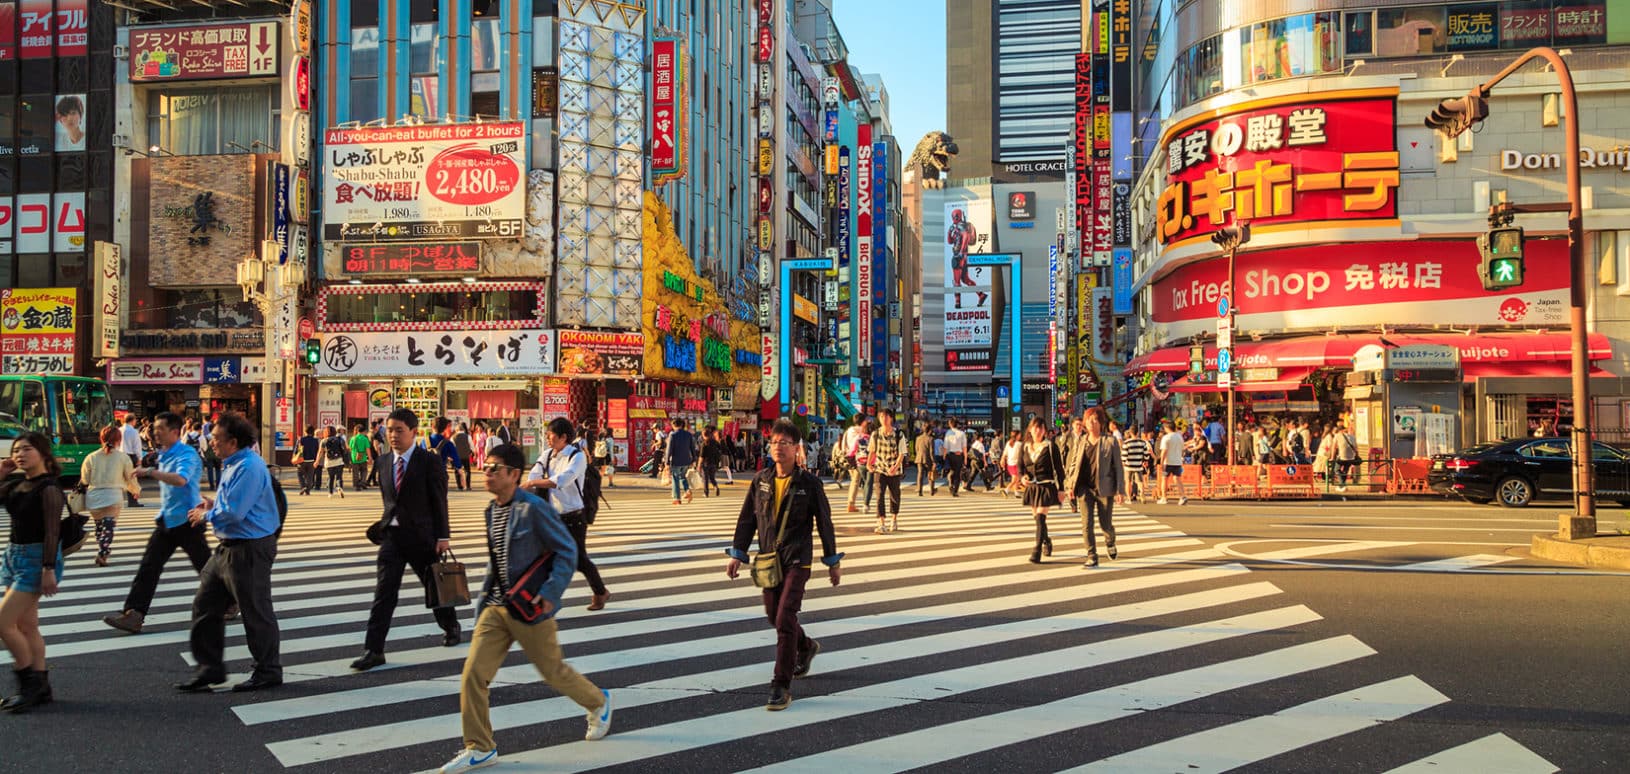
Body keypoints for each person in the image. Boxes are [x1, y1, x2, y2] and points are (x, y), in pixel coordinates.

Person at [441, 443, 613, 773]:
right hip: (497, 607)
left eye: (495, 468)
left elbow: (567, 551)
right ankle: (480, 746)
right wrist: (481, 609)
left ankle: (599, 702)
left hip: (530, 606)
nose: (487, 473)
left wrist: (551, 593)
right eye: (485, 467)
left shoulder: (533, 508)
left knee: (554, 672)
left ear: (514, 474)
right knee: (473, 676)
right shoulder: (491, 510)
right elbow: (496, 564)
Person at [725, 418, 843, 711]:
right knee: (774, 616)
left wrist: (832, 561)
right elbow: (747, 519)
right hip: (768, 559)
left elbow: (825, 524)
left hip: (797, 560)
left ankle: (781, 684)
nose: (778, 447)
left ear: (796, 448)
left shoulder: (809, 483)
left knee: (785, 616)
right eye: (775, 442)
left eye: (785, 443)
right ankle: (806, 646)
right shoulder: (761, 480)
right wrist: (737, 553)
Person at [175, 413, 283, 693]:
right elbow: (232, 502)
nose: (212, 443)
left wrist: (206, 514)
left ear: (233, 442)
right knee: (205, 604)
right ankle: (209, 667)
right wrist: (212, 503)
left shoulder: (248, 467)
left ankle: (268, 670)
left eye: (216, 439)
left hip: (248, 548)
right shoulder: (234, 463)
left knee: (255, 609)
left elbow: (235, 512)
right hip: (228, 547)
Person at [351, 408, 462, 671]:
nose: (393, 435)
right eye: (390, 430)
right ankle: (374, 649)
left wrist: (443, 536)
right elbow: (390, 501)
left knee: (434, 588)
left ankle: (451, 625)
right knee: (384, 593)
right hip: (393, 538)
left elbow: (439, 500)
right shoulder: (383, 461)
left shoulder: (429, 461)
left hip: (423, 538)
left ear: (414, 432)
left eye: (399, 430)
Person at [102, 412, 212, 635]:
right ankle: (134, 614)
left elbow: (181, 480)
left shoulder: (187, 455)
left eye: (160, 429)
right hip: (167, 520)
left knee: (206, 568)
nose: (155, 433)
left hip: (188, 520)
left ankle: (230, 601)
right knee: (149, 567)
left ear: (174, 431)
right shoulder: (164, 453)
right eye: (155, 429)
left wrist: (150, 472)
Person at [0, 432, 67, 712]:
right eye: (17, 450)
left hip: (37, 559)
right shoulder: (16, 485)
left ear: (43, 454)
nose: (20, 454)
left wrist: (48, 569)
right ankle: (41, 687)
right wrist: (2, 471)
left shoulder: (49, 488)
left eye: (27, 449)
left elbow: (53, 531)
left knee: (3, 623)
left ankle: (28, 685)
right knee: (27, 627)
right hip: (14, 556)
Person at [525, 417, 610, 611]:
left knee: (579, 559)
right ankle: (541, 598)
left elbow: (562, 480)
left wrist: (534, 483)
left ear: (564, 437)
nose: (547, 438)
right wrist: (535, 481)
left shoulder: (576, 457)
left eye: (551, 435)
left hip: (573, 517)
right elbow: (534, 475)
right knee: (544, 557)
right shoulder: (546, 455)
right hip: (551, 516)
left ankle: (600, 591)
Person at [1066, 408, 1124, 569]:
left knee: (1106, 524)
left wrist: (1120, 490)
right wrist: (1070, 484)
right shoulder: (1081, 441)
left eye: (1095, 419)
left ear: (1101, 422)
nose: (1091, 422)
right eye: (1089, 419)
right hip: (1084, 488)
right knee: (1086, 524)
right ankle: (1092, 555)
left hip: (1104, 488)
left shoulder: (1110, 441)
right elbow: (1073, 465)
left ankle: (1110, 541)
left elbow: (1118, 467)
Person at [82, 425, 137, 567]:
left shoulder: (91, 457)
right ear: (118, 440)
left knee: (99, 526)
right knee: (109, 525)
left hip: (94, 496)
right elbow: (130, 477)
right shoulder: (123, 457)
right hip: (113, 496)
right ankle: (103, 551)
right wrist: (134, 490)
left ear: (101, 438)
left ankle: (102, 546)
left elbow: (85, 479)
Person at [1017, 418, 1063, 564]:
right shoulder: (1025, 446)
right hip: (1032, 487)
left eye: (1041, 428)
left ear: (1045, 431)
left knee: (1040, 518)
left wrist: (1061, 489)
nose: (1038, 431)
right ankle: (1047, 540)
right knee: (1038, 520)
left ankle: (1036, 551)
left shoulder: (1050, 446)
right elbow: (1020, 467)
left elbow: (1059, 469)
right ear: (1030, 430)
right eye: (1035, 428)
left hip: (1046, 486)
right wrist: (1022, 478)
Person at [869, 411, 907, 534]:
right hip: (880, 469)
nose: (883, 419)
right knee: (879, 495)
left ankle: (894, 519)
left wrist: (895, 467)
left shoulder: (899, 434)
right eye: (881, 417)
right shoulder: (875, 434)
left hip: (894, 470)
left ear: (891, 418)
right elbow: (872, 451)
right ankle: (881, 522)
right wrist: (869, 463)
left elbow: (902, 453)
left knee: (894, 496)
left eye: (886, 417)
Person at [664, 418, 698, 505]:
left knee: (675, 478)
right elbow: (692, 448)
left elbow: (669, 449)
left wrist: (667, 462)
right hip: (686, 460)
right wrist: (694, 459)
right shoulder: (688, 434)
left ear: (674, 425)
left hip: (676, 460)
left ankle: (677, 498)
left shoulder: (673, 435)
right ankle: (687, 490)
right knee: (683, 477)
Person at [1156, 419, 1188, 505]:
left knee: (1164, 479)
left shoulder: (1166, 438)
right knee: (1177, 479)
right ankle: (1182, 496)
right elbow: (1182, 448)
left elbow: (1164, 451)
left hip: (1168, 461)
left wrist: (1161, 462)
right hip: (1177, 461)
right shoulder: (1179, 436)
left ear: (1167, 428)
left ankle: (1164, 497)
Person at [428, 417, 464, 493]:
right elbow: (456, 461)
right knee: (441, 500)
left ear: (432, 426)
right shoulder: (447, 443)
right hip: (441, 475)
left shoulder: (425, 441)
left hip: (426, 476)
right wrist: (461, 476)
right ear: (445, 428)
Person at [315, 426, 348, 498]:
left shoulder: (323, 441)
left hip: (329, 461)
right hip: (339, 460)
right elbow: (345, 449)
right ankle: (339, 487)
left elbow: (320, 452)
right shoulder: (340, 439)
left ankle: (330, 493)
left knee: (331, 477)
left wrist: (317, 461)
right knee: (339, 477)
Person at [1120, 427, 1151, 504]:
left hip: (1128, 466)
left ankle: (1129, 498)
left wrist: (1123, 463)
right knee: (1140, 481)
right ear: (1138, 433)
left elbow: (1124, 456)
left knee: (1128, 482)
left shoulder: (1126, 443)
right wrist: (1145, 460)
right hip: (1138, 465)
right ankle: (1142, 493)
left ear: (1130, 433)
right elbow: (1146, 454)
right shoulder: (1142, 442)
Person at [120, 417, 145, 507]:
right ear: (132, 421)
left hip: (120, 455)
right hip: (130, 456)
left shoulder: (119, 430)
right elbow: (137, 446)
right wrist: (139, 458)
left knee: (120, 478)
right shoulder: (134, 431)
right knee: (132, 478)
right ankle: (133, 501)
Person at [942, 418, 968, 497]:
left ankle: (951, 485)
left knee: (951, 471)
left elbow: (945, 446)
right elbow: (964, 447)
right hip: (959, 455)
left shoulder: (948, 433)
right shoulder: (962, 433)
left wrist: (944, 455)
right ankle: (955, 491)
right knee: (957, 473)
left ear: (950, 424)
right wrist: (965, 458)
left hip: (950, 455)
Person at [1333, 419, 1360, 491]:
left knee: (1336, 469)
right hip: (1351, 457)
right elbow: (1356, 449)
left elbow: (1334, 448)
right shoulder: (1353, 437)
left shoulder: (1337, 435)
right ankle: (1342, 486)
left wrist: (1332, 458)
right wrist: (1356, 456)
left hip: (1342, 457)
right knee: (1345, 471)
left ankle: (1342, 485)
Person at [913, 421, 937, 496]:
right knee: (930, 473)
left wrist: (919, 455)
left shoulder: (918, 438)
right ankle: (932, 490)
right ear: (929, 430)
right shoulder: (931, 439)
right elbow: (931, 451)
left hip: (919, 458)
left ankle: (919, 491)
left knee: (920, 474)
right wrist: (934, 461)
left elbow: (916, 449)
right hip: (928, 459)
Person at [699, 427, 725, 498]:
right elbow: (720, 450)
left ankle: (706, 493)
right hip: (714, 462)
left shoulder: (704, 444)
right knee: (712, 477)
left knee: (705, 479)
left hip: (705, 463)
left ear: (703, 435)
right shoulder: (715, 442)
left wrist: (699, 465)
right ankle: (715, 486)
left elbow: (701, 456)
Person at [295, 425, 320, 495]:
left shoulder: (301, 439)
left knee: (300, 474)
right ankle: (308, 489)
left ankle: (303, 486)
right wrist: (316, 460)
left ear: (305, 431)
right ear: (313, 432)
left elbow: (297, 450)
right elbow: (317, 450)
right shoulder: (315, 440)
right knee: (310, 475)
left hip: (301, 460)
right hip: (311, 460)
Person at [451, 422, 475, 491]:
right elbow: (472, 446)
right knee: (467, 471)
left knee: (457, 471)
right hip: (466, 456)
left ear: (457, 430)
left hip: (457, 456)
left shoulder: (453, 437)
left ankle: (459, 486)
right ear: (463, 429)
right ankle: (468, 486)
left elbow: (452, 447)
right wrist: (473, 452)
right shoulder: (468, 436)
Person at [350, 423, 374, 490]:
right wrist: (370, 458)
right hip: (363, 457)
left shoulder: (353, 438)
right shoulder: (365, 439)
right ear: (364, 432)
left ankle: (356, 484)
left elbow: (350, 448)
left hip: (354, 457)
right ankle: (362, 482)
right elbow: (367, 449)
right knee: (364, 471)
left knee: (355, 472)